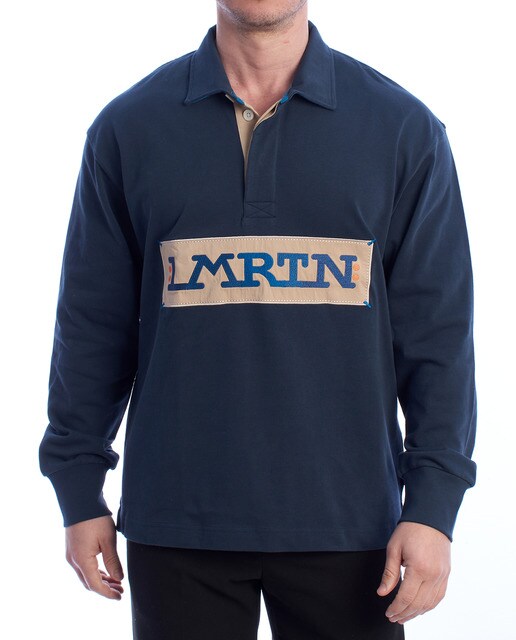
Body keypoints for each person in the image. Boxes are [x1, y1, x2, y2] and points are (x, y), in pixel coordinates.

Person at [38, 1, 477, 638]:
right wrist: (79, 489)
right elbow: (90, 326)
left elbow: (438, 337)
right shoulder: (128, 129)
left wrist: (434, 505)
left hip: (352, 524)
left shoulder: (403, 129)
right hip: (178, 520)